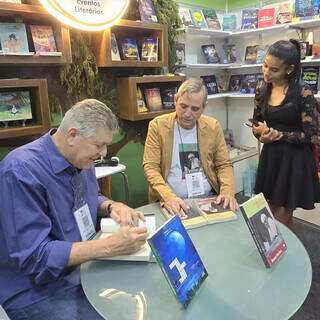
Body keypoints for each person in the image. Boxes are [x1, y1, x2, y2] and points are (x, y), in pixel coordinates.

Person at [0, 99, 148, 319]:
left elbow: (87, 197)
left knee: (135, 302)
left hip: (80, 270)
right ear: (71, 135)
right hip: (36, 290)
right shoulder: (20, 171)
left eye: (106, 145)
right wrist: (108, 247)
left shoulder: (80, 158)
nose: (104, 153)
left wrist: (110, 205)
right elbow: (35, 257)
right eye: (99, 145)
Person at [143, 78, 238, 218]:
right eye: (183, 106)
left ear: (204, 107)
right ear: (176, 100)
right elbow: (150, 167)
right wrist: (168, 197)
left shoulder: (212, 126)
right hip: (172, 200)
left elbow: (223, 164)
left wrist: (227, 192)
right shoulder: (157, 126)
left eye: (195, 109)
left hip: (209, 198)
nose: (188, 113)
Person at [252, 39, 320, 229]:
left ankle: (287, 254)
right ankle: (284, 254)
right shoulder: (261, 89)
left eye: (274, 69)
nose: (266, 72)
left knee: (280, 218)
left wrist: (279, 135)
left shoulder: (303, 92)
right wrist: (261, 135)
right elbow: (256, 124)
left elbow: (312, 135)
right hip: (271, 157)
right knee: (270, 214)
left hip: (294, 160)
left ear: (289, 69)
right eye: (265, 65)